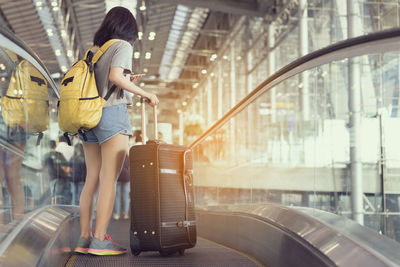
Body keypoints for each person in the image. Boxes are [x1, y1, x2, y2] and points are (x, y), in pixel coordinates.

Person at [74, 6, 159, 256]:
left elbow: (106, 81)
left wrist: (126, 82)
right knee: (108, 179)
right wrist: (146, 93)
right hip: (111, 116)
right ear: (127, 29)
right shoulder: (122, 46)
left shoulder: (93, 51)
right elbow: (114, 77)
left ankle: (84, 237)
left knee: (92, 179)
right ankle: (100, 240)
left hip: (88, 118)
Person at [113, 155, 130, 220]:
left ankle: (117, 214)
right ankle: (125, 213)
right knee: (126, 196)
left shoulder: (115, 156)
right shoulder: (127, 157)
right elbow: (129, 167)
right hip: (126, 177)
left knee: (117, 196)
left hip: (117, 177)